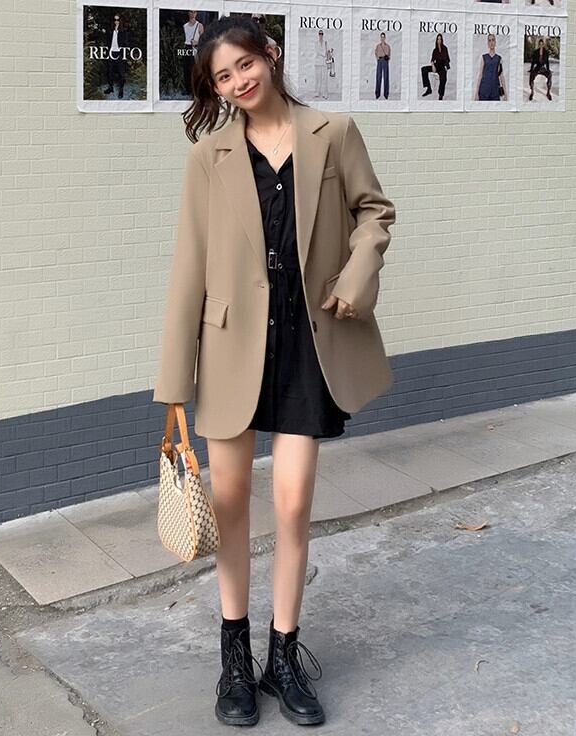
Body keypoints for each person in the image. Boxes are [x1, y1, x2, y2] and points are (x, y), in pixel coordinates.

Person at [152, 15, 395, 729]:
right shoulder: (210, 156)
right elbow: (189, 268)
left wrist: (358, 275)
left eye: (244, 65)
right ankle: (235, 661)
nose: (237, 82)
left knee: (291, 507)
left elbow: (375, 212)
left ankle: (283, 657)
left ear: (271, 54)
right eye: (222, 77)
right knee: (230, 508)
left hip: (307, 345)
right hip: (230, 348)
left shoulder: (333, 132)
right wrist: (174, 384)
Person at [103, 12, 129, 99]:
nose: (116, 21)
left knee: (121, 73)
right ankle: (111, 88)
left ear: (120, 20)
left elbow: (126, 43)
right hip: (111, 53)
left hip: (120, 53)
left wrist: (124, 52)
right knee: (109, 72)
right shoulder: (110, 30)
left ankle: (121, 90)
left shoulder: (124, 31)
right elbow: (107, 41)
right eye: (115, 20)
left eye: (118, 19)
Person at [474, 33, 507, 101]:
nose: (491, 42)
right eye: (489, 40)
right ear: (487, 43)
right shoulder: (484, 57)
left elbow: (501, 76)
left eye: (493, 40)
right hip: (484, 89)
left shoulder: (499, 58)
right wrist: (476, 92)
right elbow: (480, 74)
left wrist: (505, 94)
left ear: (495, 42)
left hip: (495, 90)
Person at [421, 33, 450, 101]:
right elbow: (432, 60)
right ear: (436, 40)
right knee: (424, 69)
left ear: (442, 40)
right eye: (438, 39)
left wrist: (446, 66)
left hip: (443, 67)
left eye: (440, 39)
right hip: (436, 66)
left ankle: (440, 95)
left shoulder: (445, 48)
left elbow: (448, 59)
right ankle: (429, 88)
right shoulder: (435, 50)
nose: (439, 41)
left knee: (443, 78)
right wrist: (433, 65)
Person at [182, 10, 205, 94]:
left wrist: (196, 42)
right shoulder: (185, 26)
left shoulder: (199, 25)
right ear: (188, 13)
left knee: (194, 69)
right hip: (186, 48)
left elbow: (203, 40)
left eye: (194, 12)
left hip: (195, 48)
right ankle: (188, 89)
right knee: (186, 69)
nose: (193, 14)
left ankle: (195, 89)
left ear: (197, 13)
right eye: (191, 12)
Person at [529, 37, 553, 101]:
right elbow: (533, 61)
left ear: (543, 44)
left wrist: (548, 69)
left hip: (543, 68)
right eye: (540, 44)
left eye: (542, 44)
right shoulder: (535, 52)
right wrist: (531, 69)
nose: (541, 45)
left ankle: (548, 93)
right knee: (531, 75)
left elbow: (547, 61)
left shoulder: (546, 52)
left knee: (550, 75)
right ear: (539, 44)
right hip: (537, 67)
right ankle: (532, 92)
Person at [375, 32, 391, 100]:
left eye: (383, 37)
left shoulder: (388, 46)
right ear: (380, 38)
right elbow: (376, 52)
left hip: (385, 61)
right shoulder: (378, 46)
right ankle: (377, 94)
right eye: (381, 37)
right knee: (378, 77)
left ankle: (386, 94)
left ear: (385, 38)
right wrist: (377, 58)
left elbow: (389, 54)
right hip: (379, 60)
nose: (382, 38)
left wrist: (387, 58)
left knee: (386, 77)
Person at [314, 29, 329, 99]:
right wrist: (324, 53)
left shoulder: (325, 42)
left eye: (322, 34)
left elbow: (327, 51)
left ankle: (325, 93)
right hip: (317, 63)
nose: (321, 35)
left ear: (323, 35)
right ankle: (317, 92)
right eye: (320, 34)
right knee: (318, 78)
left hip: (324, 63)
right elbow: (317, 51)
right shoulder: (316, 43)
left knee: (324, 79)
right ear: (318, 35)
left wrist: (327, 53)